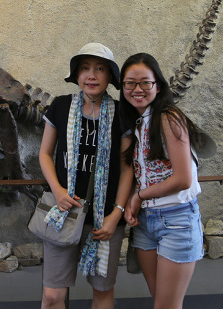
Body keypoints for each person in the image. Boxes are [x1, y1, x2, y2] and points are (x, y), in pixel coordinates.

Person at [39, 43, 132, 309]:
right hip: (64, 213)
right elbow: (45, 154)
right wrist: (57, 190)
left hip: (104, 220)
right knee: (53, 295)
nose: (91, 75)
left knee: (102, 292)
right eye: (85, 68)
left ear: (110, 76)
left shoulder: (120, 114)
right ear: (77, 74)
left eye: (99, 69)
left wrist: (116, 215)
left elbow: (127, 168)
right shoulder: (60, 106)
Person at [118, 53, 203, 309]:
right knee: (161, 301)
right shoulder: (138, 124)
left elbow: (183, 179)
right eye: (130, 83)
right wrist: (134, 204)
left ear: (158, 85)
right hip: (145, 223)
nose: (137, 89)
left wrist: (138, 196)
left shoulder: (169, 118)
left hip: (176, 221)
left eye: (145, 82)